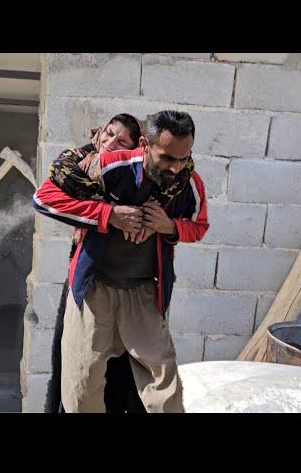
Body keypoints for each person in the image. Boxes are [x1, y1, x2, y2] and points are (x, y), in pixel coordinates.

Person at [33, 110, 209, 413]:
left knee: (163, 385)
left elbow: (199, 226)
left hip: (143, 293)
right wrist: (110, 215)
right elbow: (44, 198)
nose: (176, 168)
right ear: (144, 144)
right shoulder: (110, 168)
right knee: (81, 386)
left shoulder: (189, 183)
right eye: (167, 158)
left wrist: (169, 227)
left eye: (184, 158)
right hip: (94, 289)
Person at [44, 113, 147, 413]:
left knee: (118, 380)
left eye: (121, 140)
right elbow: (48, 193)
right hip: (84, 286)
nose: (110, 142)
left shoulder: (138, 178)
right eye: (108, 133)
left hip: (127, 295)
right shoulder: (85, 163)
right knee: (72, 372)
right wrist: (108, 211)